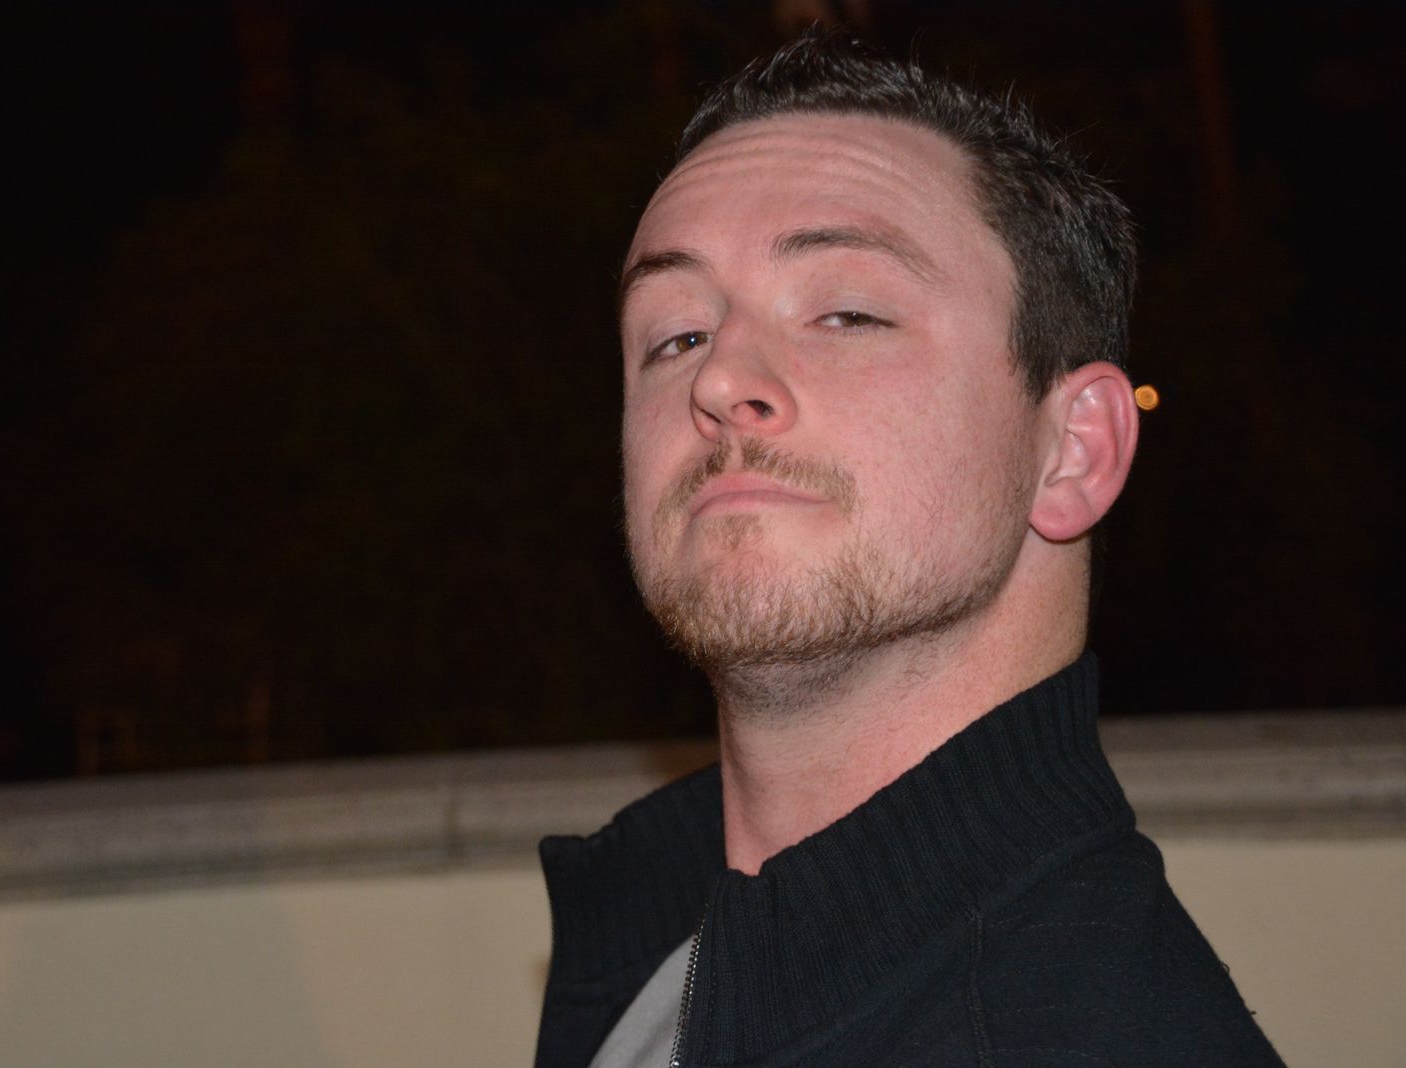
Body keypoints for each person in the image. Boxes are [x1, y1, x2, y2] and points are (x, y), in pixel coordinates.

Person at [534, 27, 1283, 1068]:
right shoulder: (659, 962)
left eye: (846, 313)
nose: (718, 378)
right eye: (676, 336)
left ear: (1073, 451)